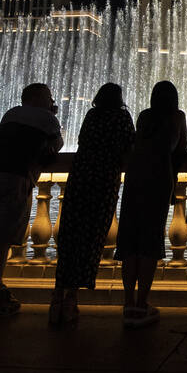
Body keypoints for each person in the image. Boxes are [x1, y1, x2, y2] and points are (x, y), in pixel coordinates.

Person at [0, 83, 63, 322]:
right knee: (0, 243)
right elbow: (56, 147)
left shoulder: (11, 114)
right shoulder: (47, 118)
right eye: (48, 97)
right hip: (14, 179)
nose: (51, 101)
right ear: (39, 99)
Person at [49, 83, 134, 326]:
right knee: (91, 238)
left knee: (69, 237)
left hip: (80, 176)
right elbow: (128, 146)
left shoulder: (91, 115)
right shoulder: (122, 117)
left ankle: (56, 298)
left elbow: (82, 140)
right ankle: (71, 300)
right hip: (104, 180)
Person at [116, 81, 186, 328]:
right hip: (159, 174)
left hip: (136, 175)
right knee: (149, 239)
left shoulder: (144, 116)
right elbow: (181, 149)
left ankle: (128, 302)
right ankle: (142, 304)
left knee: (130, 238)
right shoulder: (177, 117)